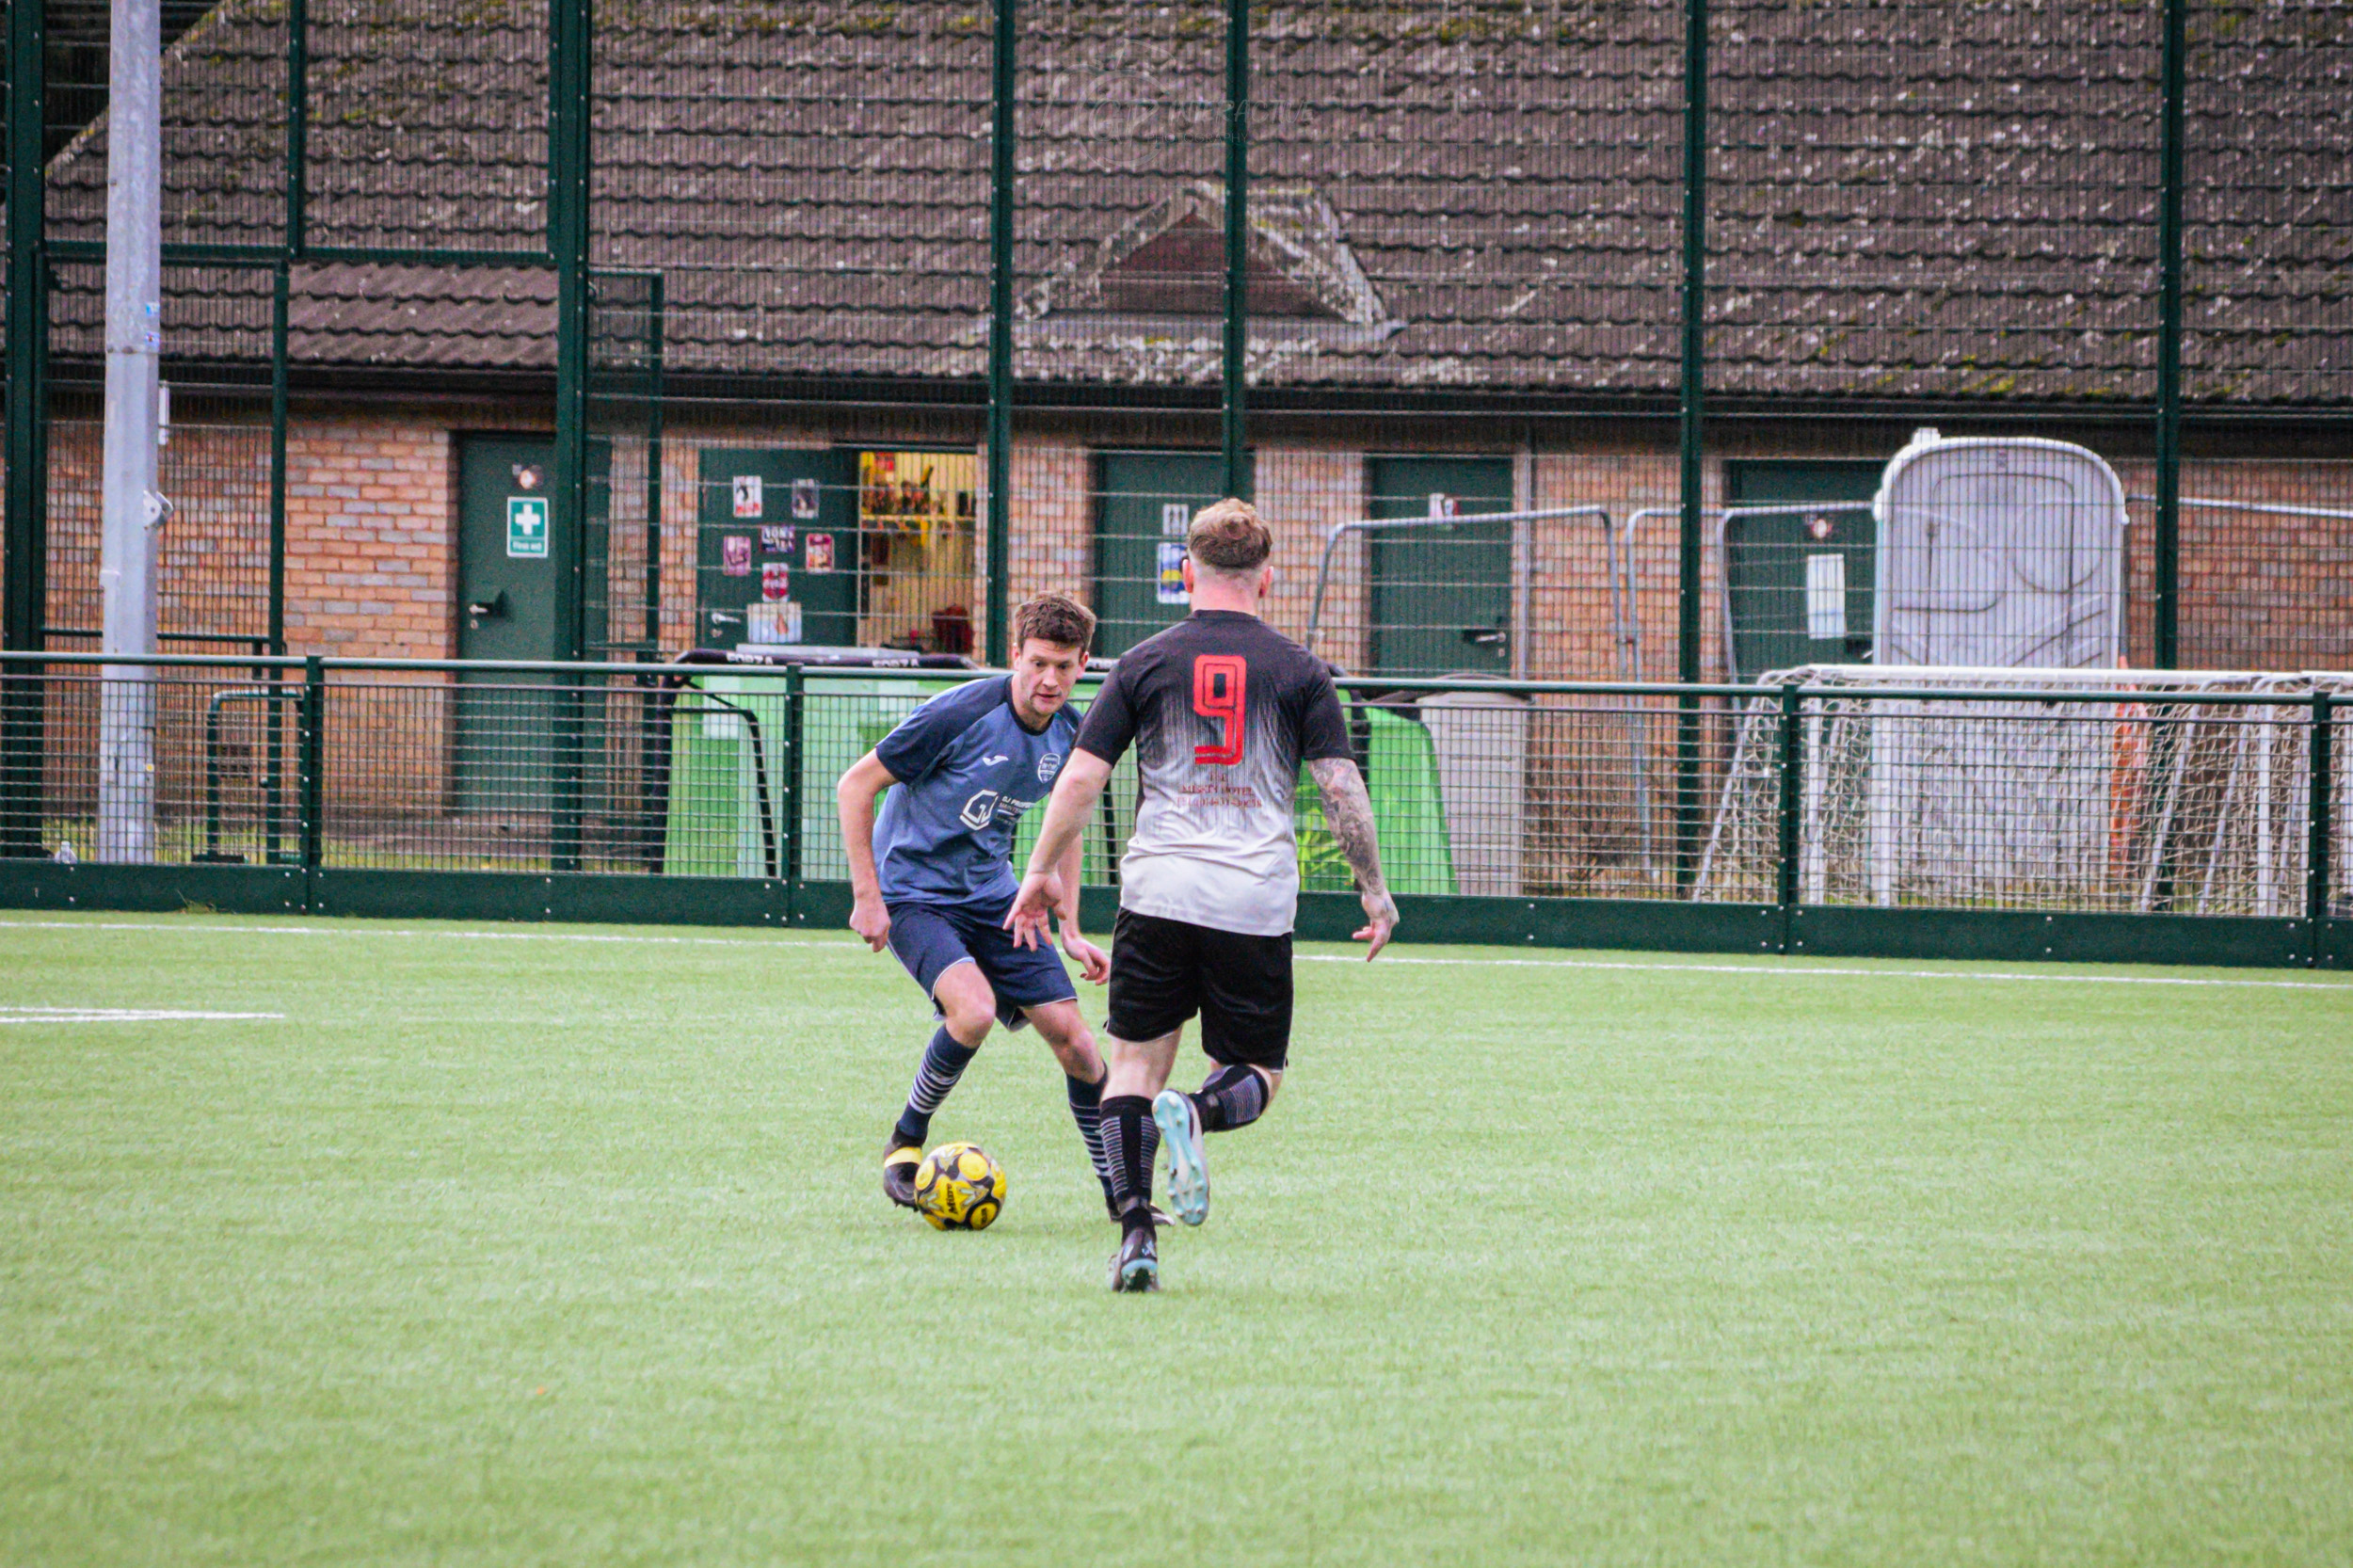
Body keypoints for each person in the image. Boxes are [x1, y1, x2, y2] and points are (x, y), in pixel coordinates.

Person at [1008, 500, 1398, 1291]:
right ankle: (1199, 1111)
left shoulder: (1144, 662)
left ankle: (1136, 1235)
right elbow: (1339, 788)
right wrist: (1375, 892)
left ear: (1187, 572)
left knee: (1130, 1070)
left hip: (1156, 893)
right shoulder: (1298, 669)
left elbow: (1083, 778)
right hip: (1251, 901)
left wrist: (1039, 873)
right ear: (1268, 578)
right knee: (1255, 1072)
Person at [837, 592, 1128, 1219]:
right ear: (1015, 655)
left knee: (1077, 1042)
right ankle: (906, 1140)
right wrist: (868, 897)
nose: (1050, 680)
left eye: (1066, 667)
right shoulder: (962, 712)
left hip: (995, 896)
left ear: (1084, 665)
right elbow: (855, 785)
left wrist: (1071, 926)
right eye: (1039, 663)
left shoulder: (1073, 734)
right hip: (914, 893)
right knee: (972, 1011)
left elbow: (1067, 820)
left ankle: (1121, 1193)